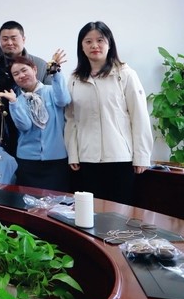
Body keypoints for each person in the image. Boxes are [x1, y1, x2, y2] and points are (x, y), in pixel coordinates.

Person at [64, 21, 153, 204]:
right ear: (81, 46)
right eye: (88, 41)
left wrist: (142, 156)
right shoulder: (74, 79)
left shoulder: (125, 74)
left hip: (120, 157)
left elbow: (139, 117)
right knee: (90, 212)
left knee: (120, 212)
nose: (94, 45)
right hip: (86, 158)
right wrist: (73, 153)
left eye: (100, 40)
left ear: (109, 43)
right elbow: (71, 119)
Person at [0, 53, 71, 192]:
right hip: (28, 160)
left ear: (35, 69)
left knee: (56, 201)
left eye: (24, 70)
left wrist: (56, 73)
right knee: (28, 200)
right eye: (16, 74)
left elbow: (63, 100)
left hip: (55, 159)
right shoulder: (17, 100)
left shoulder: (51, 90)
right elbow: (25, 126)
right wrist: (14, 103)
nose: (21, 75)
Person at [0, 21, 52, 85]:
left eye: (14, 39)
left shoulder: (42, 65)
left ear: (23, 39)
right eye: (5, 39)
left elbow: (53, 90)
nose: (10, 43)